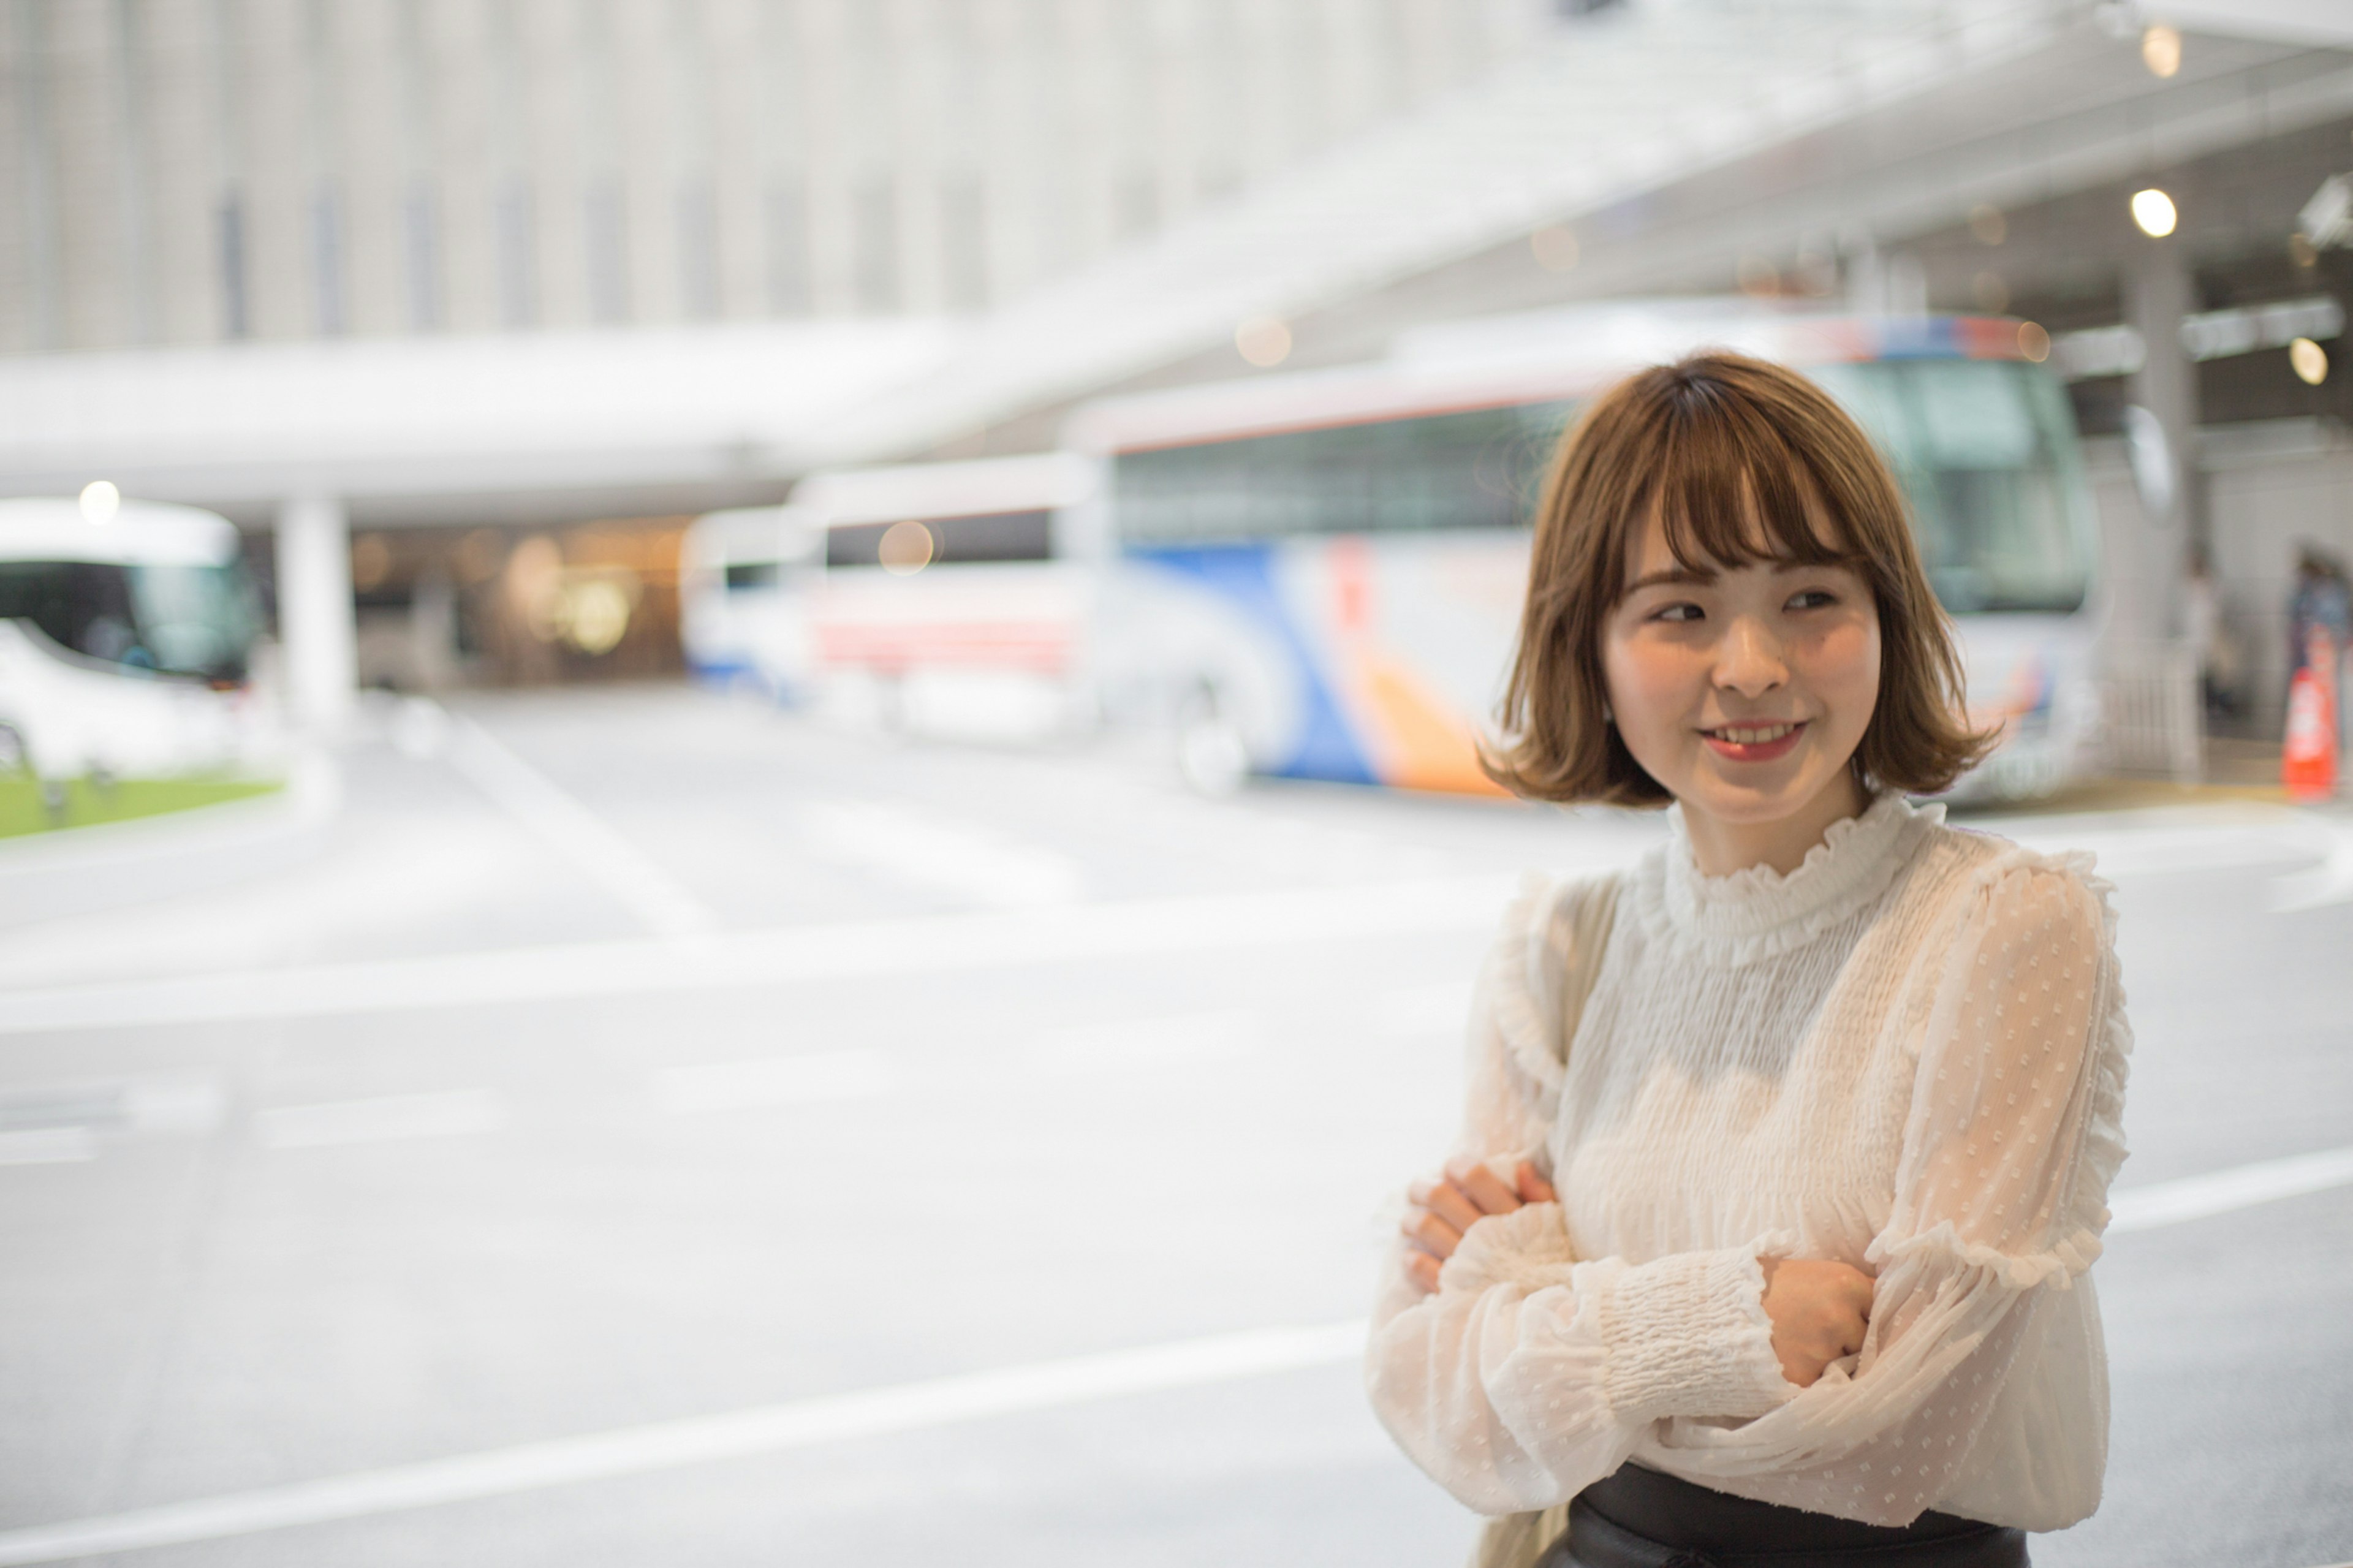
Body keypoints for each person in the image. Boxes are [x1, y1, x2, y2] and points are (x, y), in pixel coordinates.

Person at [1365, 353, 2131, 1568]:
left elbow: (1895, 1436)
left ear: (1888, 612)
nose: (1755, 665)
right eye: (1680, 609)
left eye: (1813, 596)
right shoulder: (1559, 947)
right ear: (1593, 645)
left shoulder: (2002, 925)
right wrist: (1726, 1326)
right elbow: (1433, 1388)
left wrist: (1548, 1315)